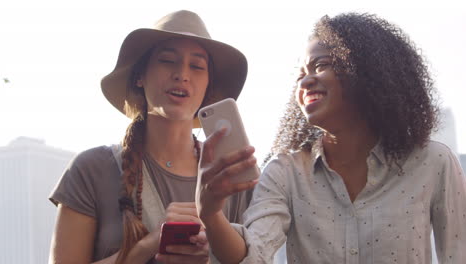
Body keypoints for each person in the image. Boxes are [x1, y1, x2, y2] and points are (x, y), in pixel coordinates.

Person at [196, 13, 466, 263]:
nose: (304, 82)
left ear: (369, 70)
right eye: (301, 74)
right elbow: (254, 256)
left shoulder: (433, 162)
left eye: (321, 65)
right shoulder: (284, 172)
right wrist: (209, 213)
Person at [48, 10, 252, 264]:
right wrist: (149, 246)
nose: (182, 74)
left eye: (197, 66)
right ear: (139, 76)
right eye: (168, 60)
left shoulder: (231, 176)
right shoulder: (91, 169)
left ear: (208, 85)